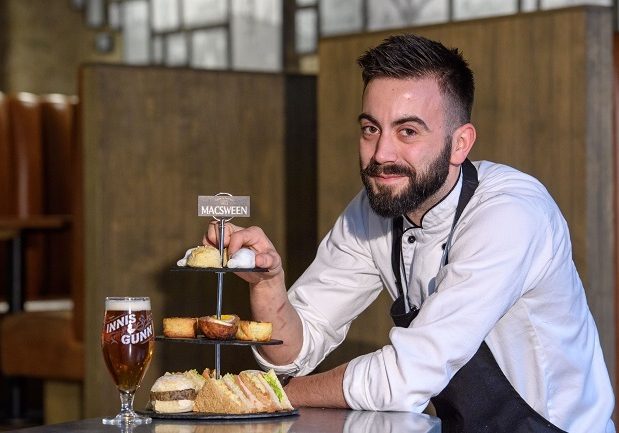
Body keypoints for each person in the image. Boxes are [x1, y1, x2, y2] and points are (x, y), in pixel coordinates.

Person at [206, 34, 615, 432]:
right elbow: (297, 348)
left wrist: (280, 395)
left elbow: (405, 378)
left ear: (460, 144)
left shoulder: (511, 213)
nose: (381, 154)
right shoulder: (373, 211)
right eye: (370, 129)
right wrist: (268, 286)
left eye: (408, 132)